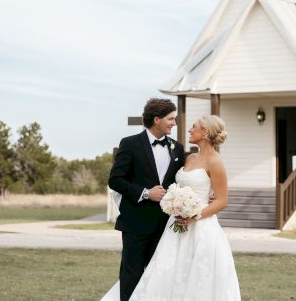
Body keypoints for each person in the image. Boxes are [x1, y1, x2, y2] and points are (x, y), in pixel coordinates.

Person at [101, 114, 241, 301]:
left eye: (194, 126)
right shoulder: (189, 157)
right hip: (174, 226)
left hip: (200, 228)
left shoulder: (216, 162)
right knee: (167, 272)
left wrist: (194, 216)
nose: (189, 130)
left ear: (205, 132)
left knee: (196, 275)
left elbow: (222, 200)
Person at [107, 98, 185, 301]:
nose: (174, 123)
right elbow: (115, 180)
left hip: (164, 225)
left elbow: (183, 178)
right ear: (157, 119)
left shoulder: (177, 148)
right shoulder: (130, 144)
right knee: (131, 276)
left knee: (159, 277)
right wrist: (146, 193)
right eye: (171, 119)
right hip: (135, 223)